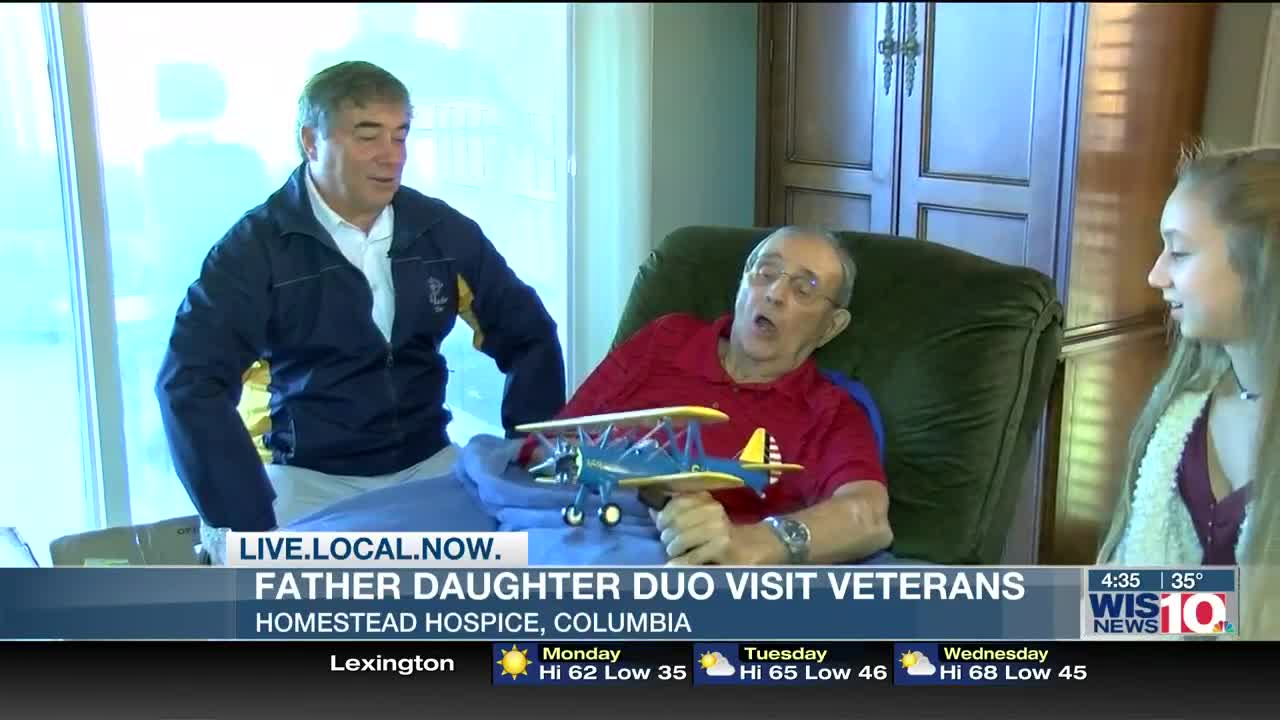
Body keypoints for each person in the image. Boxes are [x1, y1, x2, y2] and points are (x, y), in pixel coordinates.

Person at [155, 61, 566, 556]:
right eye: (368, 136)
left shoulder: (441, 232)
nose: (391, 156)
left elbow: (529, 334)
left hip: (427, 465)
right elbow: (188, 384)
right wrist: (244, 519)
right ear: (312, 141)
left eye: (400, 135)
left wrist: (527, 456)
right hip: (302, 477)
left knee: (531, 568)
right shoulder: (254, 251)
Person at [519, 226, 893, 566]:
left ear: (830, 327)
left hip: (659, 560)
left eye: (804, 289)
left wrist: (753, 543)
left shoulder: (831, 410)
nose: (775, 294)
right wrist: (643, 479)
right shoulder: (665, 339)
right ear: (742, 283)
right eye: (765, 272)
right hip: (557, 522)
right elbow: (545, 444)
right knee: (486, 553)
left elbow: (868, 517)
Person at [1096, 144, 1279, 639]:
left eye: (1178, 252)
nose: (1155, 275)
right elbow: (1140, 602)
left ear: (1264, 262)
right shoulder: (1185, 411)